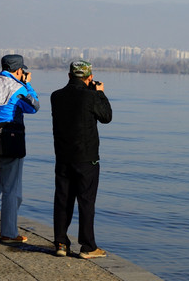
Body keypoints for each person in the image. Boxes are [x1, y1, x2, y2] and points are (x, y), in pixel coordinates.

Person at [51, 60, 112, 258]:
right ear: (90, 78)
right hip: (86, 159)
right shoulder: (91, 96)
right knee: (86, 201)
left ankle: (61, 243)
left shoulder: (56, 96)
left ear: (69, 76)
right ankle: (87, 246)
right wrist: (100, 93)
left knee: (62, 200)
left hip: (62, 156)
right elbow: (106, 117)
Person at [0, 54, 40, 243]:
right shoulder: (19, 89)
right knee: (11, 190)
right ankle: (9, 233)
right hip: (10, 145)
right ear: (18, 70)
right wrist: (28, 84)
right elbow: (34, 107)